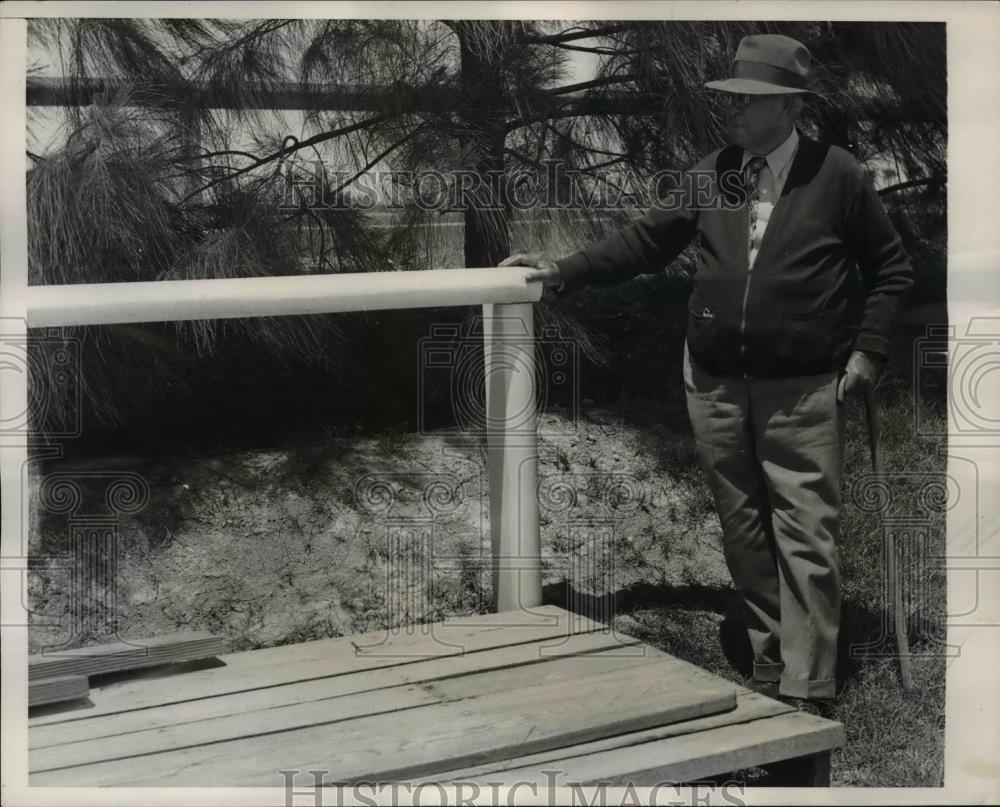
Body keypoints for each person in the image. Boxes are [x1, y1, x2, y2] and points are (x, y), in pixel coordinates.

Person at [502, 33, 913, 716]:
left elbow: (891, 268)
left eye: (747, 103)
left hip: (804, 386)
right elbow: (646, 240)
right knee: (744, 527)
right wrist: (563, 271)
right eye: (731, 102)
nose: (732, 114)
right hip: (716, 383)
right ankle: (773, 654)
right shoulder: (714, 171)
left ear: (787, 108)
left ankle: (808, 693)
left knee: (806, 531)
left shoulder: (837, 174)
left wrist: (868, 351)